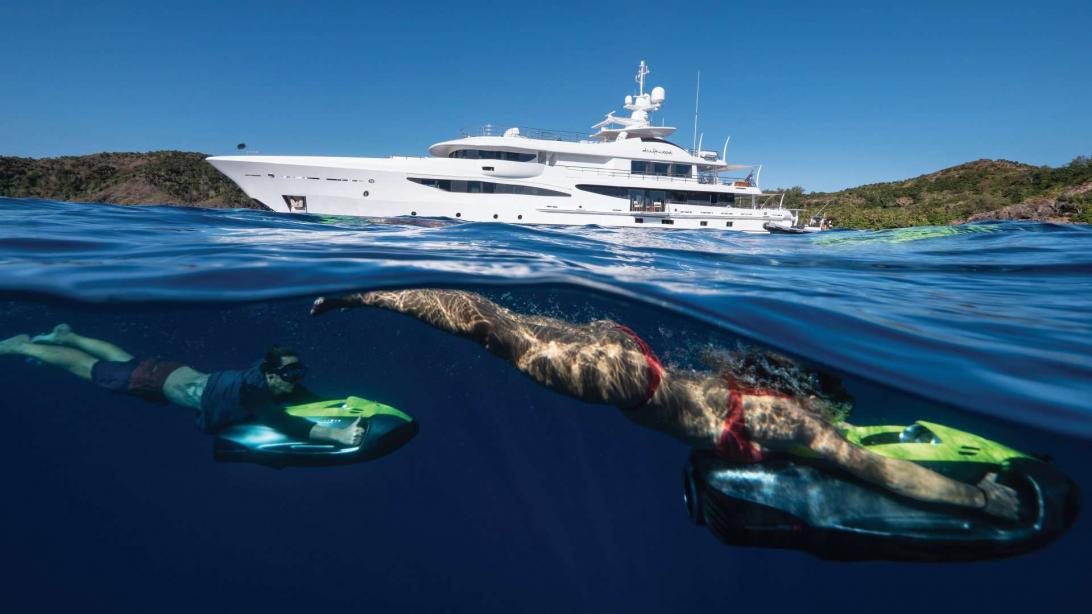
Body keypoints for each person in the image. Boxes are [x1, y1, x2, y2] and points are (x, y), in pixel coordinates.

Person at [310, 289, 1019, 519]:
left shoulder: (754, 391)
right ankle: (368, 295)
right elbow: (871, 470)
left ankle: (371, 294)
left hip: (632, 351)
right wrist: (979, 501)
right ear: (809, 401)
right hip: (624, 380)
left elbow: (722, 373)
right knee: (492, 331)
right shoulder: (791, 421)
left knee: (501, 323)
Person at [0, 325, 362, 446]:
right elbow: (284, 422)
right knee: (92, 370)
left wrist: (336, 406)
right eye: (290, 376)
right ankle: (22, 346)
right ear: (269, 374)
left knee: (126, 361)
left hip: (165, 373)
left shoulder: (259, 377)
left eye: (298, 375)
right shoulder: (252, 392)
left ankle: (67, 333)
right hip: (153, 380)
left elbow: (301, 398)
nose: (296, 383)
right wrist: (338, 435)